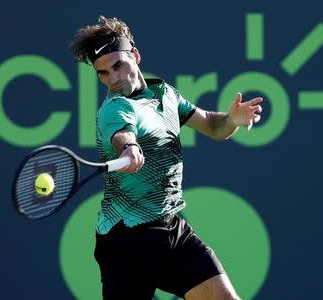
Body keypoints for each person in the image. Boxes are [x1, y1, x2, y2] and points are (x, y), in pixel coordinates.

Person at [70, 16, 263, 300]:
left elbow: (212, 125)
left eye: (118, 65)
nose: (113, 79)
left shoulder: (165, 93)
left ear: (134, 55)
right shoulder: (115, 109)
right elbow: (123, 135)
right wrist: (130, 149)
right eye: (103, 73)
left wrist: (232, 119)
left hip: (172, 229)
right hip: (126, 242)